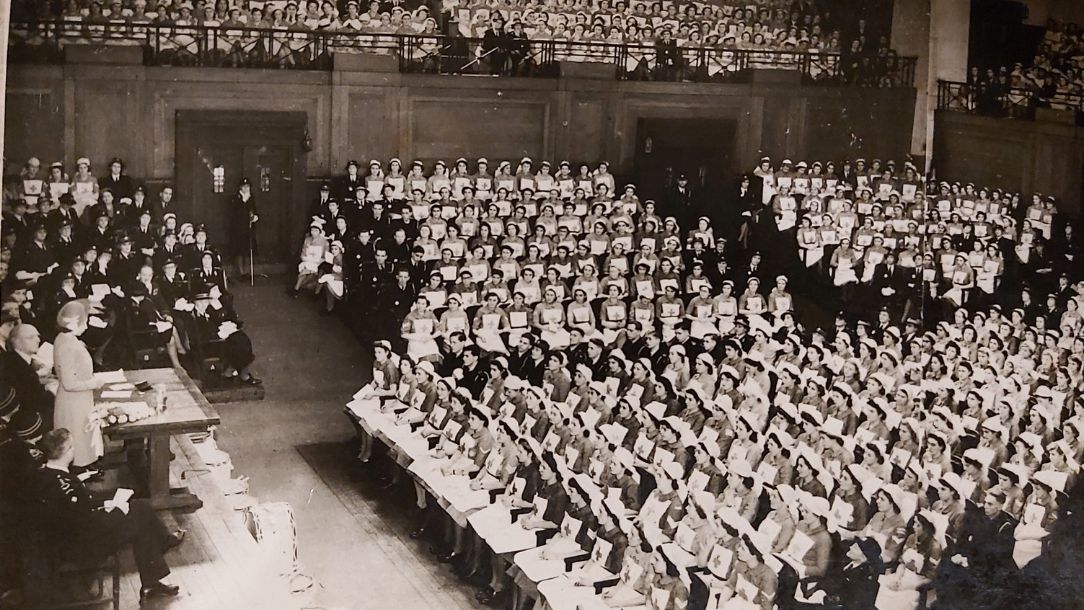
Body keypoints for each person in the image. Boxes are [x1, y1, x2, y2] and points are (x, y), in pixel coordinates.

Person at [34, 429, 184, 603]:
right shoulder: (69, 489)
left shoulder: (46, 474)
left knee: (140, 509)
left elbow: (78, 512)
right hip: (82, 548)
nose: (74, 450)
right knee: (141, 513)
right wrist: (119, 510)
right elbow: (94, 525)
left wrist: (105, 504)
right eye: (71, 447)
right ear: (65, 452)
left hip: (62, 540)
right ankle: (157, 560)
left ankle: (155, 569)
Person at [52, 301, 104, 468]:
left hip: (80, 400)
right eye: (85, 321)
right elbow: (69, 383)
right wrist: (94, 383)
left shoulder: (66, 339)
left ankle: (86, 470)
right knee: (78, 442)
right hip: (73, 403)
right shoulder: (67, 345)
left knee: (84, 439)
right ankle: (81, 474)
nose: (87, 326)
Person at [3, 323, 56, 431]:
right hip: (23, 423)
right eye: (31, 337)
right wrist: (52, 391)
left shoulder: (13, 359)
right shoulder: (17, 366)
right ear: (17, 343)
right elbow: (35, 401)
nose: (37, 340)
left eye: (38, 336)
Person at [230, 177, 259, 280]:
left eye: (248, 186)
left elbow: (255, 210)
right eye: (244, 186)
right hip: (238, 228)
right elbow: (235, 213)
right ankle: (241, 272)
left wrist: (255, 217)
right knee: (239, 250)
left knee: (248, 249)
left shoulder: (252, 197)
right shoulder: (235, 198)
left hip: (249, 228)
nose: (246, 188)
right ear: (240, 187)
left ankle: (246, 272)